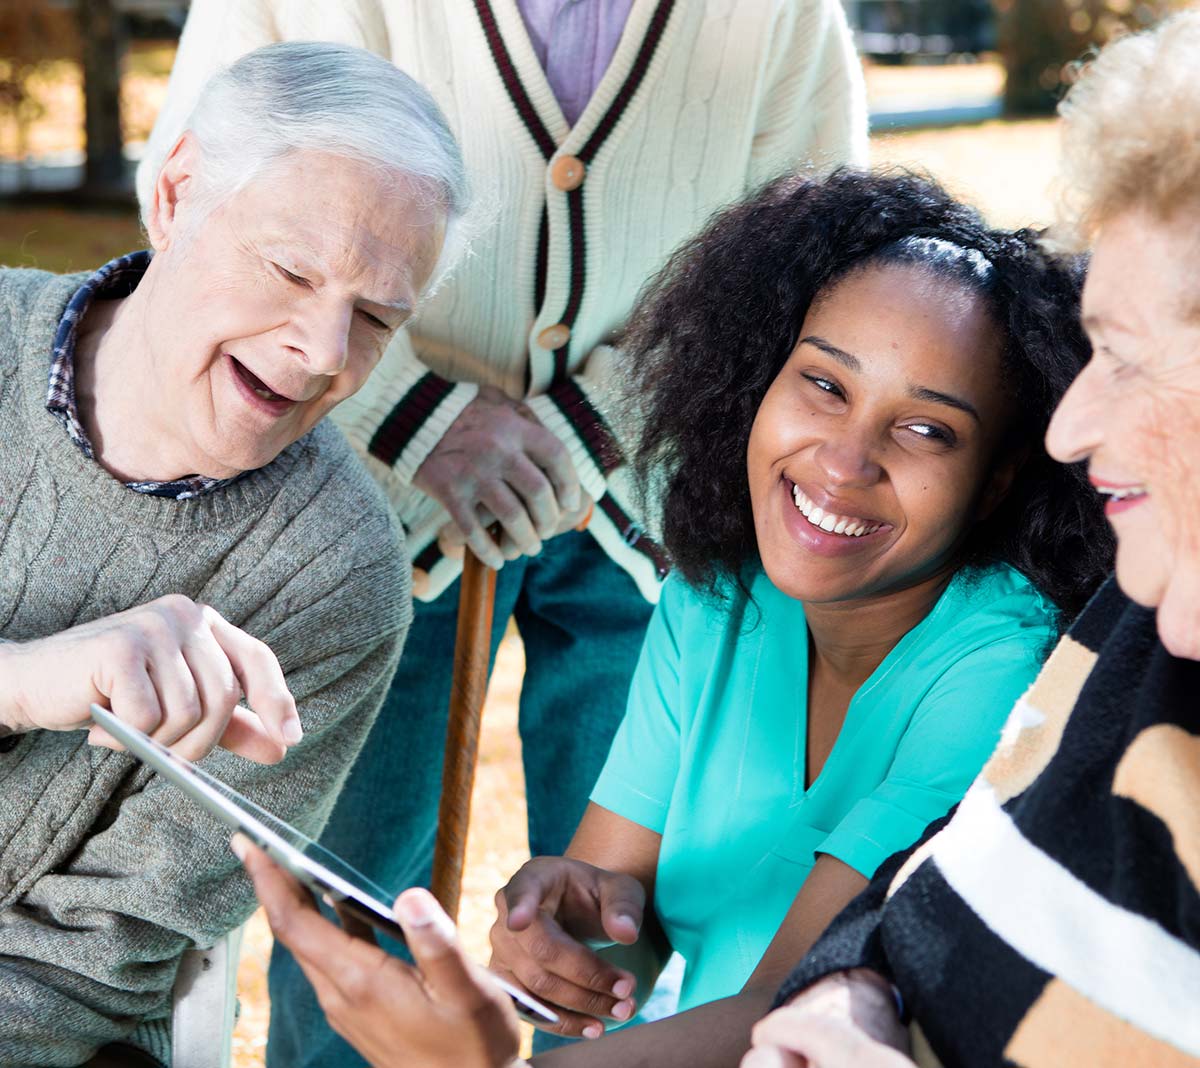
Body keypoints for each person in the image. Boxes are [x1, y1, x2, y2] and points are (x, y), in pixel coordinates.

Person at [234, 168, 1114, 1067]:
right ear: (757, 379)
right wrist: (572, 935)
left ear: (1000, 478)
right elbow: (625, 912)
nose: (845, 461)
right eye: (823, 385)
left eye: (926, 430)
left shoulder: (1009, 671)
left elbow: (796, 1011)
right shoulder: (721, 592)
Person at [137, 3, 870, 1062]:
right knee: (357, 943)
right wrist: (416, 416)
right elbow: (194, 187)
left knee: (621, 945)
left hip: (652, 515)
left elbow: (813, 246)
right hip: (367, 507)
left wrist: (590, 427)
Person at [743, 13, 1200, 1068]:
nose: (1070, 429)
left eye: (1125, 359)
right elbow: (945, 865)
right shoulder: (1133, 617)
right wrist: (849, 987)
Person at [0, 41, 466, 1067]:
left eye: (378, 316)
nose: (325, 353)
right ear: (174, 195)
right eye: (291, 270)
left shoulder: (338, 571)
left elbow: (86, 968)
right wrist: (25, 681)